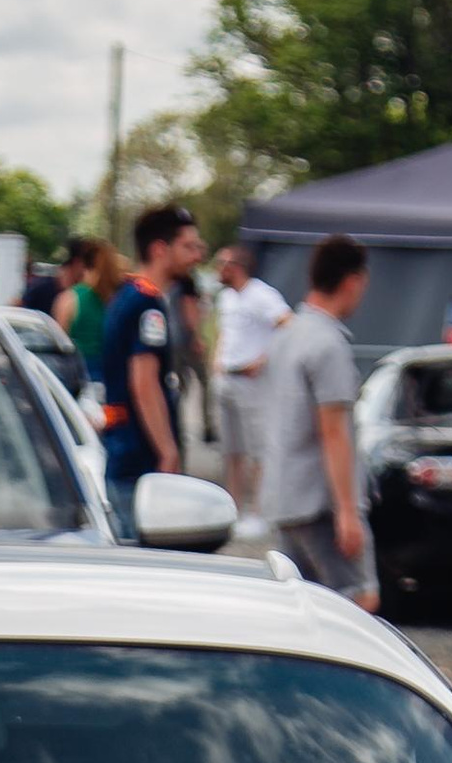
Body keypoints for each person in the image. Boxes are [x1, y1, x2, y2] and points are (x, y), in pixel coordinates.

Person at [260, 234, 372, 597]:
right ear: (353, 281)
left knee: (297, 604)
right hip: (319, 504)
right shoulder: (329, 344)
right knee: (357, 601)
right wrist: (348, 511)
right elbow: (334, 432)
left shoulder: (284, 335)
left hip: (283, 497)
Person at [96, 201, 204, 539]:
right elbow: (144, 383)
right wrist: (167, 449)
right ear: (160, 249)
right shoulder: (147, 304)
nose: (197, 255)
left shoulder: (128, 295)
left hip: (126, 453)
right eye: (188, 246)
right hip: (137, 459)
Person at [211, 240, 290, 515]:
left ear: (236, 267)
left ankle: (258, 510)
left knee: (257, 449)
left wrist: (262, 360)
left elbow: (287, 324)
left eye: (222, 264)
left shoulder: (261, 295)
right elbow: (226, 331)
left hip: (251, 381)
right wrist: (217, 358)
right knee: (231, 450)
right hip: (227, 376)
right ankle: (233, 508)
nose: (217, 269)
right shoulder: (227, 297)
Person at [55, 232, 107, 377]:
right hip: (106, 376)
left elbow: (60, 346)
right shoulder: (113, 297)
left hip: (77, 376)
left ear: (79, 264)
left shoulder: (68, 299)